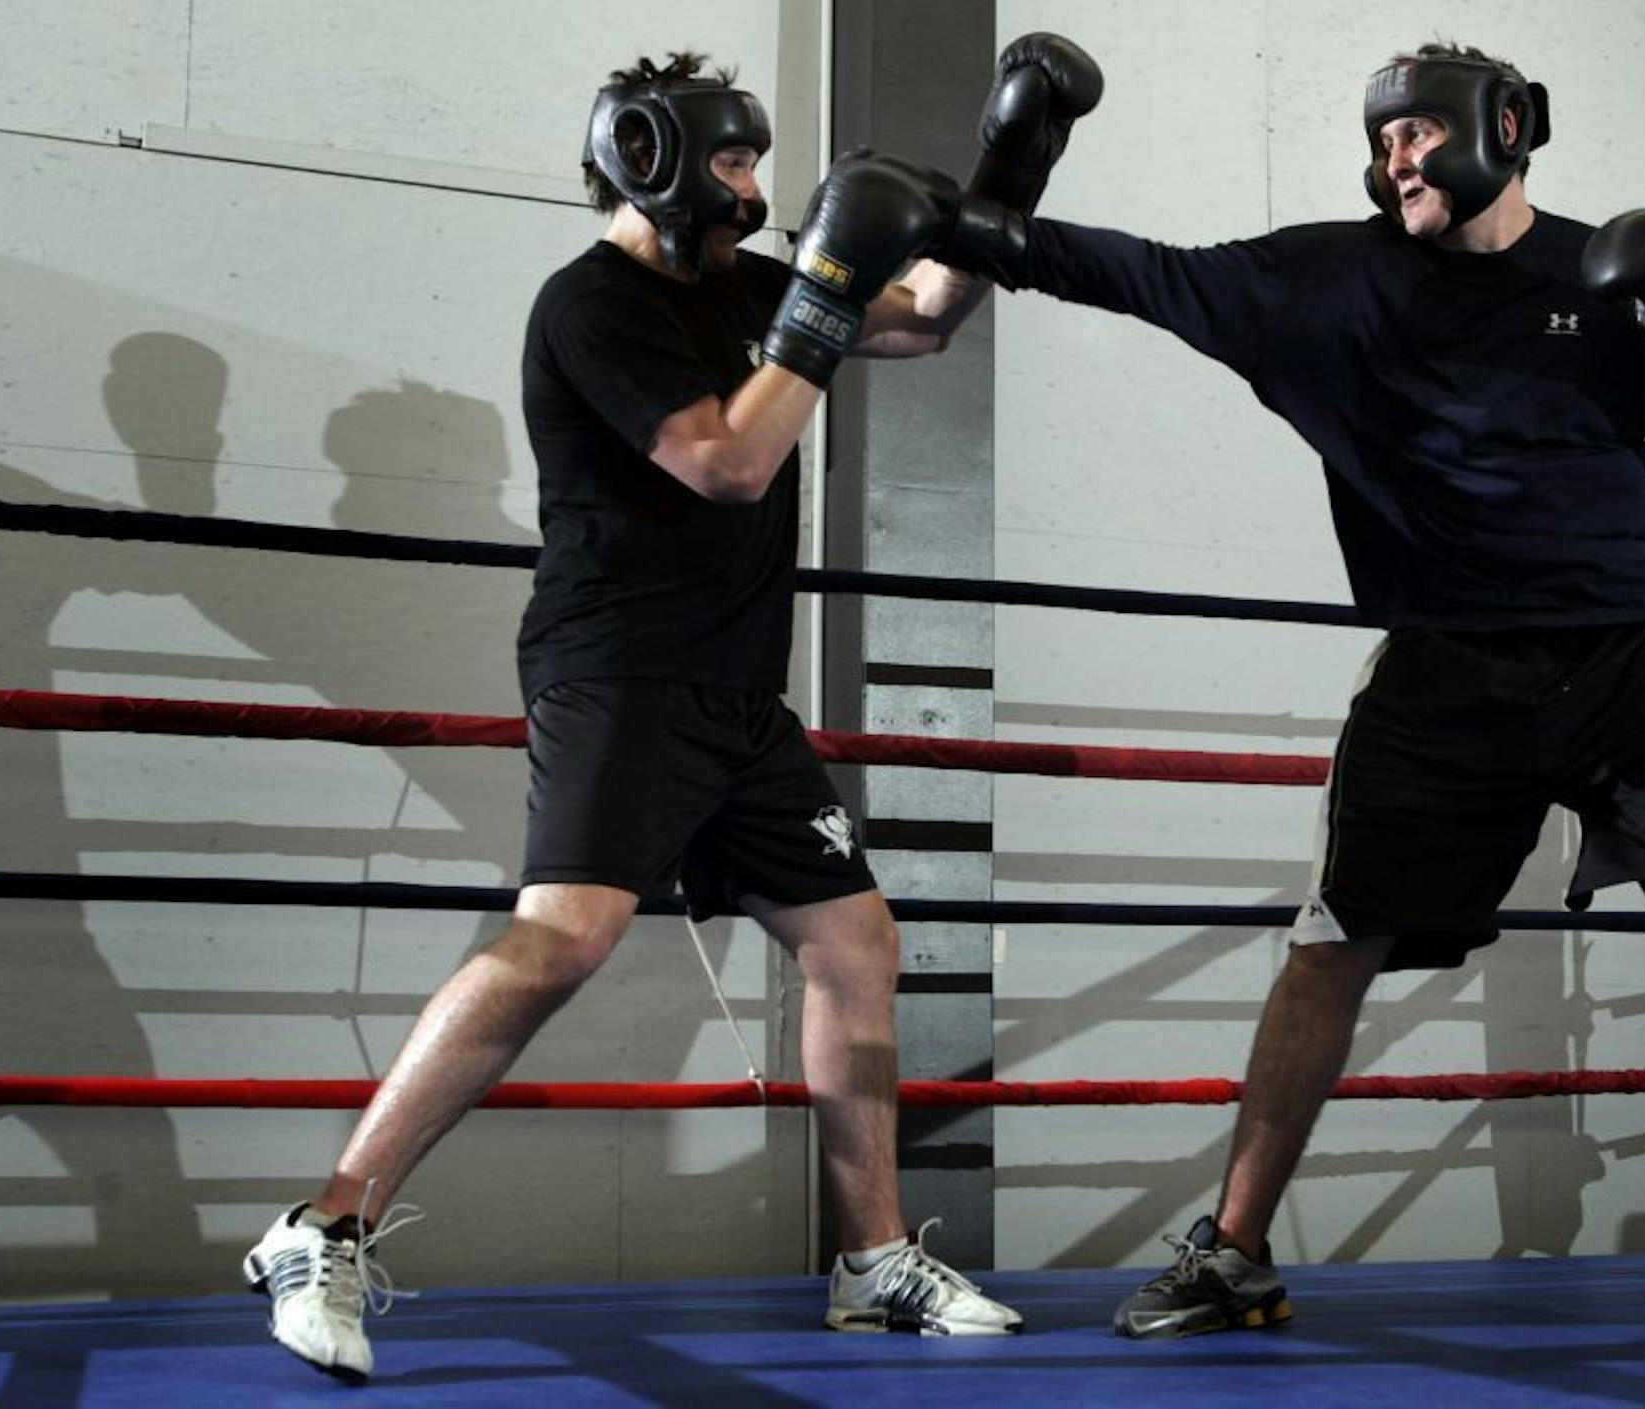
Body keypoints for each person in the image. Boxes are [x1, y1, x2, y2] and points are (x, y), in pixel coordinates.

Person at [944, 41, 1645, 1364]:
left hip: (1628, 649)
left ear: (1510, 124)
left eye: (1420, 129)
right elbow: (1132, 272)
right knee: (1334, 938)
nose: (1396, 156)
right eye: (1381, 137)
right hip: (1445, 661)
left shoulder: (1608, 275)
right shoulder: (1326, 280)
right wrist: (965, 209)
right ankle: (1235, 1251)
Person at [236, 47, 1085, 1380]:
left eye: (757, 164)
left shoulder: (750, 286)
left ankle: (869, 1258)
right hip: (621, 669)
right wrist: (815, 302)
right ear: (654, 157)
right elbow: (728, 461)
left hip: (741, 693)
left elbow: (920, 319)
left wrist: (1006, 176)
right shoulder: (591, 305)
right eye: (734, 162)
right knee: (562, 940)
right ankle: (324, 1222)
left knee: (855, 940)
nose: (753, 189)